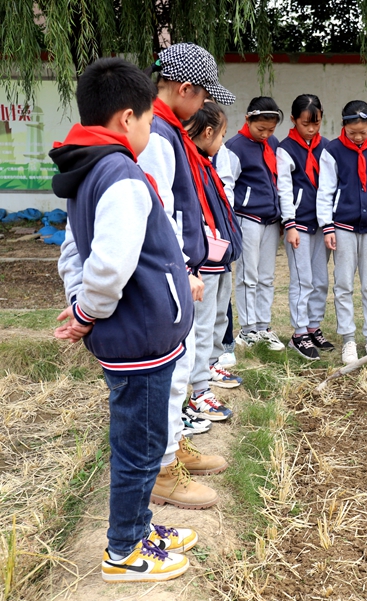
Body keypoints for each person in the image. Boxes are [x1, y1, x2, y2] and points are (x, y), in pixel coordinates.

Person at [52, 57, 195, 582]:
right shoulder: (122, 176)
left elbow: (74, 254)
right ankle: (123, 551)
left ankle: (139, 525)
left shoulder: (88, 167)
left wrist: (79, 302)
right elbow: (108, 266)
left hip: (137, 334)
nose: (151, 131)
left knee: (144, 437)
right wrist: (87, 312)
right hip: (139, 340)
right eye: (149, 121)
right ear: (126, 118)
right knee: (139, 446)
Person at [139, 43, 234, 510]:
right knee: (173, 372)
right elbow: (158, 211)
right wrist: (177, 265)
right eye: (203, 97)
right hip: (171, 273)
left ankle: (174, 448)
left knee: (183, 362)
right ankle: (161, 470)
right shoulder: (156, 134)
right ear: (184, 88)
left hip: (182, 270)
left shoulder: (168, 128)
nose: (204, 108)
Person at [316, 100, 367, 365]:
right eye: (353, 133)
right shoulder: (333, 150)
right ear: (344, 127)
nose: (358, 137)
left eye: (363, 132)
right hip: (343, 227)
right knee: (343, 284)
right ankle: (348, 338)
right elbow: (326, 190)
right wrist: (327, 225)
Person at [184, 101, 244, 438]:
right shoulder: (190, 164)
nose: (223, 141)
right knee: (201, 325)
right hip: (203, 260)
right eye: (221, 135)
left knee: (216, 319)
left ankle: (205, 373)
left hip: (218, 256)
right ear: (207, 133)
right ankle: (197, 393)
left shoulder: (203, 161)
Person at [225, 97, 286, 352]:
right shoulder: (234, 147)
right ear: (248, 119)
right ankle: (248, 329)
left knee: (267, 277)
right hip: (247, 218)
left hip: (271, 220)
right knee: (248, 275)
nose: (266, 134)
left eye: (271, 130)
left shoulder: (272, 143)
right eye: (261, 129)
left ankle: (263, 326)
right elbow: (227, 184)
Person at [277, 94, 335, 360]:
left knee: (320, 279)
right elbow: (284, 190)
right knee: (303, 280)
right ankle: (298, 333)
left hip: (322, 224)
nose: (311, 129)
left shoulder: (327, 147)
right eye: (305, 124)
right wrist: (289, 224)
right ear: (293, 120)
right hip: (298, 224)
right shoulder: (285, 148)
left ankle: (313, 326)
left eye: (317, 122)